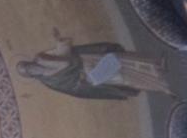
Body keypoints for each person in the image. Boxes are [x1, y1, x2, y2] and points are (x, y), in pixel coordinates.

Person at [17, 30, 173, 99]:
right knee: (126, 78)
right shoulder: (49, 81)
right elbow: (70, 84)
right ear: (32, 75)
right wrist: (84, 80)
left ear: (29, 62)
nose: (32, 68)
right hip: (91, 75)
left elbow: (62, 53)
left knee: (124, 60)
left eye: (28, 66)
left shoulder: (41, 58)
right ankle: (161, 85)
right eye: (29, 71)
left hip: (88, 60)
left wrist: (59, 42)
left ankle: (156, 64)